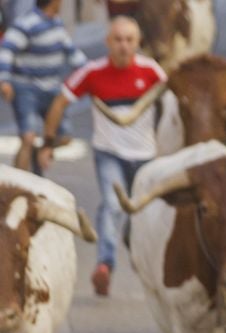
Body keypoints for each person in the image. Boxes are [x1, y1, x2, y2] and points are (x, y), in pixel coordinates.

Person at [38, 18, 164, 298]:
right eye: (118, 40)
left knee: (143, 211)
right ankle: (105, 265)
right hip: (110, 153)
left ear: (138, 43)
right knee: (111, 205)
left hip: (146, 155)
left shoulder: (152, 71)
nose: (124, 46)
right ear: (108, 42)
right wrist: (48, 143)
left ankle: (143, 257)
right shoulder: (92, 73)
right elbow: (60, 101)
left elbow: (176, 100)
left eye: (130, 40)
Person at [0, 0, 83, 173]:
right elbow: (7, 50)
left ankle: (37, 153)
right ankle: (19, 184)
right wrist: (4, 80)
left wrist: (90, 74)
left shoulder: (57, 23)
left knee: (64, 136)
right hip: (26, 87)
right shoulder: (26, 24)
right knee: (28, 138)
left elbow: (72, 52)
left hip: (51, 87)